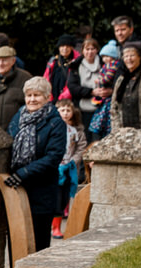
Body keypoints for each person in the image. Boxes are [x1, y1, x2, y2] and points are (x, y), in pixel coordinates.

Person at [4, 76, 66, 250]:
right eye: (29, 95)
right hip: (17, 188)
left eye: (37, 95)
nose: (32, 99)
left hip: (41, 190)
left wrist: (24, 172)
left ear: (47, 98)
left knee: (38, 243)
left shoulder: (55, 123)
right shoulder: (18, 117)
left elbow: (53, 157)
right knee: (16, 241)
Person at [55, 93, 87, 236]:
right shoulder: (53, 127)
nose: (66, 113)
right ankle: (54, 226)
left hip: (69, 167)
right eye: (62, 110)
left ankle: (59, 225)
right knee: (54, 197)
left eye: (68, 110)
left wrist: (73, 161)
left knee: (64, 196)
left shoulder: (77, 131)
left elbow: (81, 148)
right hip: (54, 167)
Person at [110, 39, 141, 130]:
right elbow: (114, 107)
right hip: (124, 132)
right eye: (126, 56)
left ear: (139, 57)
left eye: (132, 55)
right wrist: (117, 130)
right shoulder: (121, 79)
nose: (129, 59)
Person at [44, 34, 81, 99]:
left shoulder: (77, 62)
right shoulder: (53, 61)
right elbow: (46, 79)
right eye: (62, 46)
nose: (65, 48)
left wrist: (62, 98)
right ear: (58, 47)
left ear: (72, 47)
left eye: (68, 46)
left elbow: (74, 84)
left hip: (68, 99)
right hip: (52, 97)